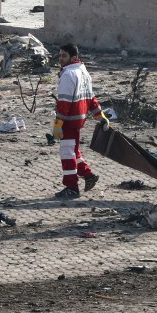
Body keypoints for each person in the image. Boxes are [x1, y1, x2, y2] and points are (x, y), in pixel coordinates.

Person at [52, 44, 109, 199]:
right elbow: (91, 98)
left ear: (73, 57)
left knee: (67, 152)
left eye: (64, 56)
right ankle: (88, 175)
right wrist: (99, 116)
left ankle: (71, 187)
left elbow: (64, 103)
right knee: (74, 150)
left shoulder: (68, 75)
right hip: (79, 120)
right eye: (60, 56)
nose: (60, 59)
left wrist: (58, 124)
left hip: (69, 121)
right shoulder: (83, 72)